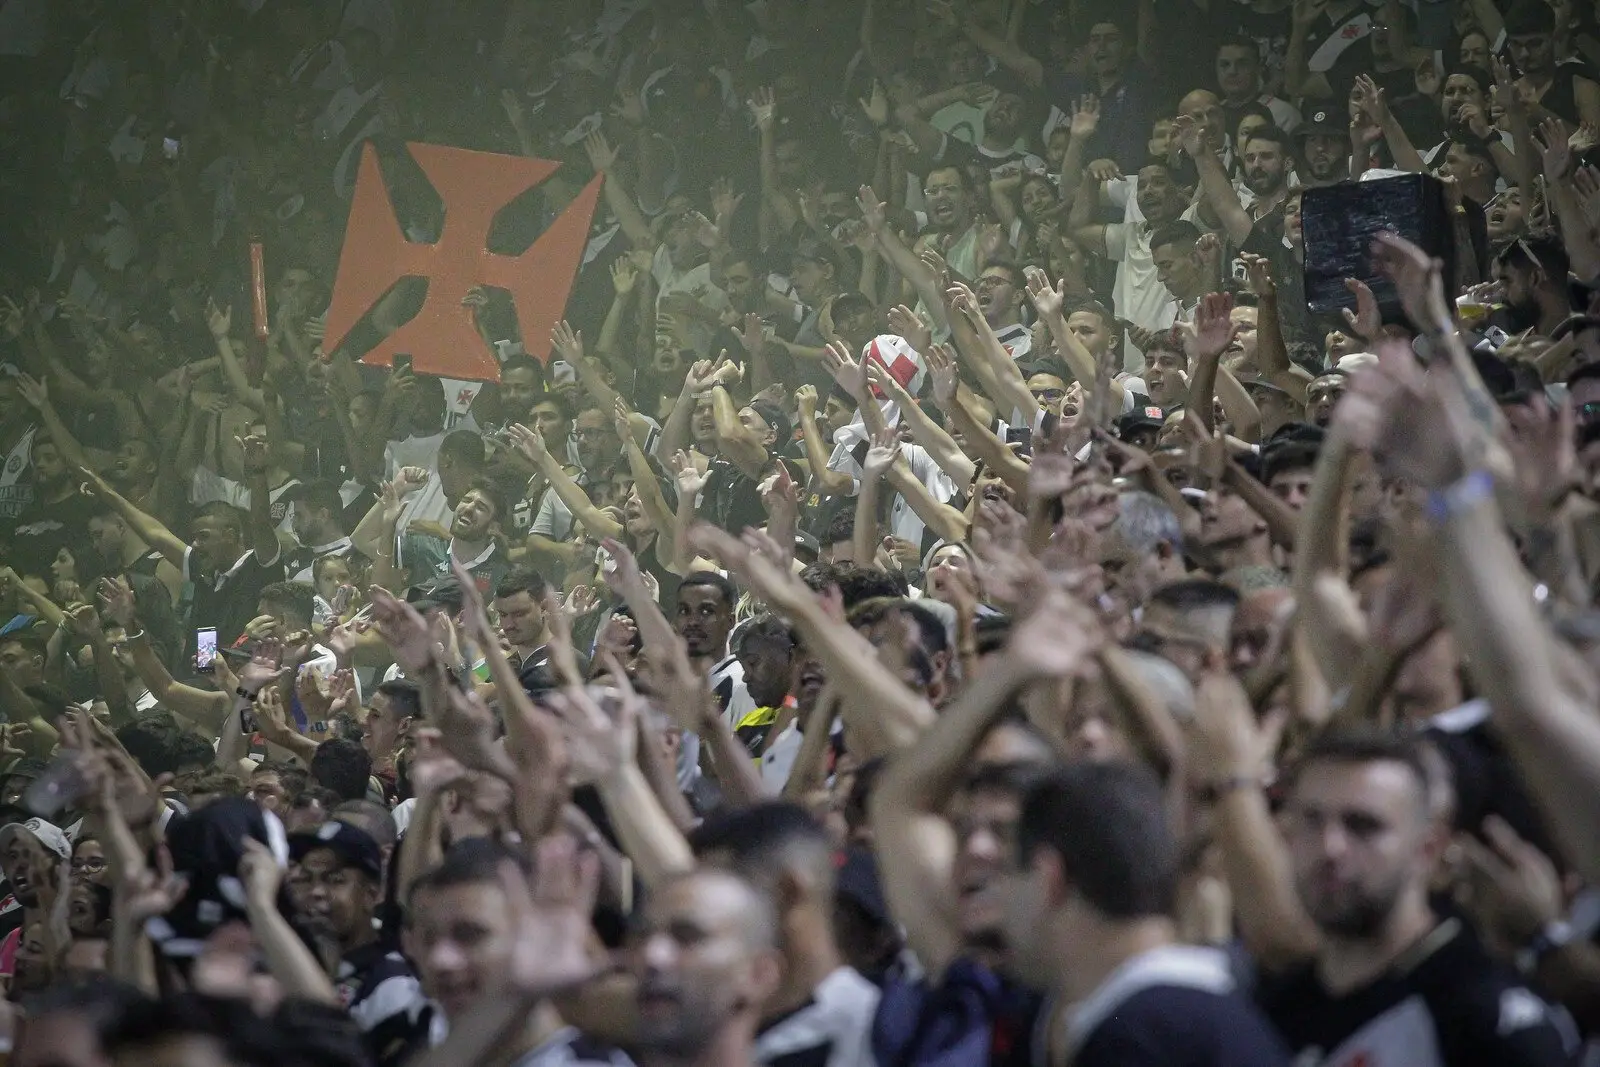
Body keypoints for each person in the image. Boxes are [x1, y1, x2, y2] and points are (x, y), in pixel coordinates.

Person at [1260, 732, 1581, 1065]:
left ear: (1428, 849)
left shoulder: (1486, 1016)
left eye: (1363, 826)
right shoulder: (1272, 1011)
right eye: (1311, 821)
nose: (1330, 848)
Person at [997, 762, 1293, 1065]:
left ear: (1049, 879)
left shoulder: (1135, 1040)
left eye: (1007, 873)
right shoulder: (1213, 1008)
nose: (1001, 899)